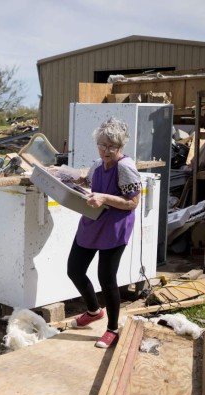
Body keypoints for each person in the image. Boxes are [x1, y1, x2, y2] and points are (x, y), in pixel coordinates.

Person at [67, 117, 141, 349]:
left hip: (114, 226)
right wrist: (62, 174)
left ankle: (112, 328)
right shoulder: (98, 164)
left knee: (106, 279)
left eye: (111, 146)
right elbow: (86, 180)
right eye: (102, 145)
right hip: (92, 221)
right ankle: (93, 311)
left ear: (121, 147)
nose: (106, 150)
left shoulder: (126, 168)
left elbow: (133, 203)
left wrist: (105, 198)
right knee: (75, 270)